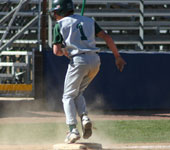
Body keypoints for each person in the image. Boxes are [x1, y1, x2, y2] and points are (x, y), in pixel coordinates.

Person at [49, 0, 126, 144]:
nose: (54, 14)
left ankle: (72, 130)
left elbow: (56, 51)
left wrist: (66, 51)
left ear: (61, 11)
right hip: (95, 60)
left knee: (67, 96)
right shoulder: (89, 21)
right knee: (78, 93)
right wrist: (117, 56)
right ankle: (84, 117)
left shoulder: (60, 25)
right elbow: (107, 37)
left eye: (55, 11)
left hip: (78, 60)